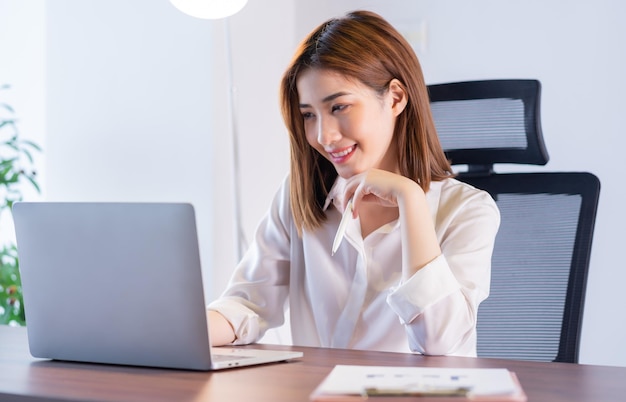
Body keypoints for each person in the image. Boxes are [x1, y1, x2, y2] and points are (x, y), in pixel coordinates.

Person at [207, 10, 500, 357]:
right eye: (308, 115)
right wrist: (173, 332)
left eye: (339, 107)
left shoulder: (469, 211)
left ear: (395, 98)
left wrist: (409, 199)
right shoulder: (300, 196)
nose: (323, 135)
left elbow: (439, 345)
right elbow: (247, 305)